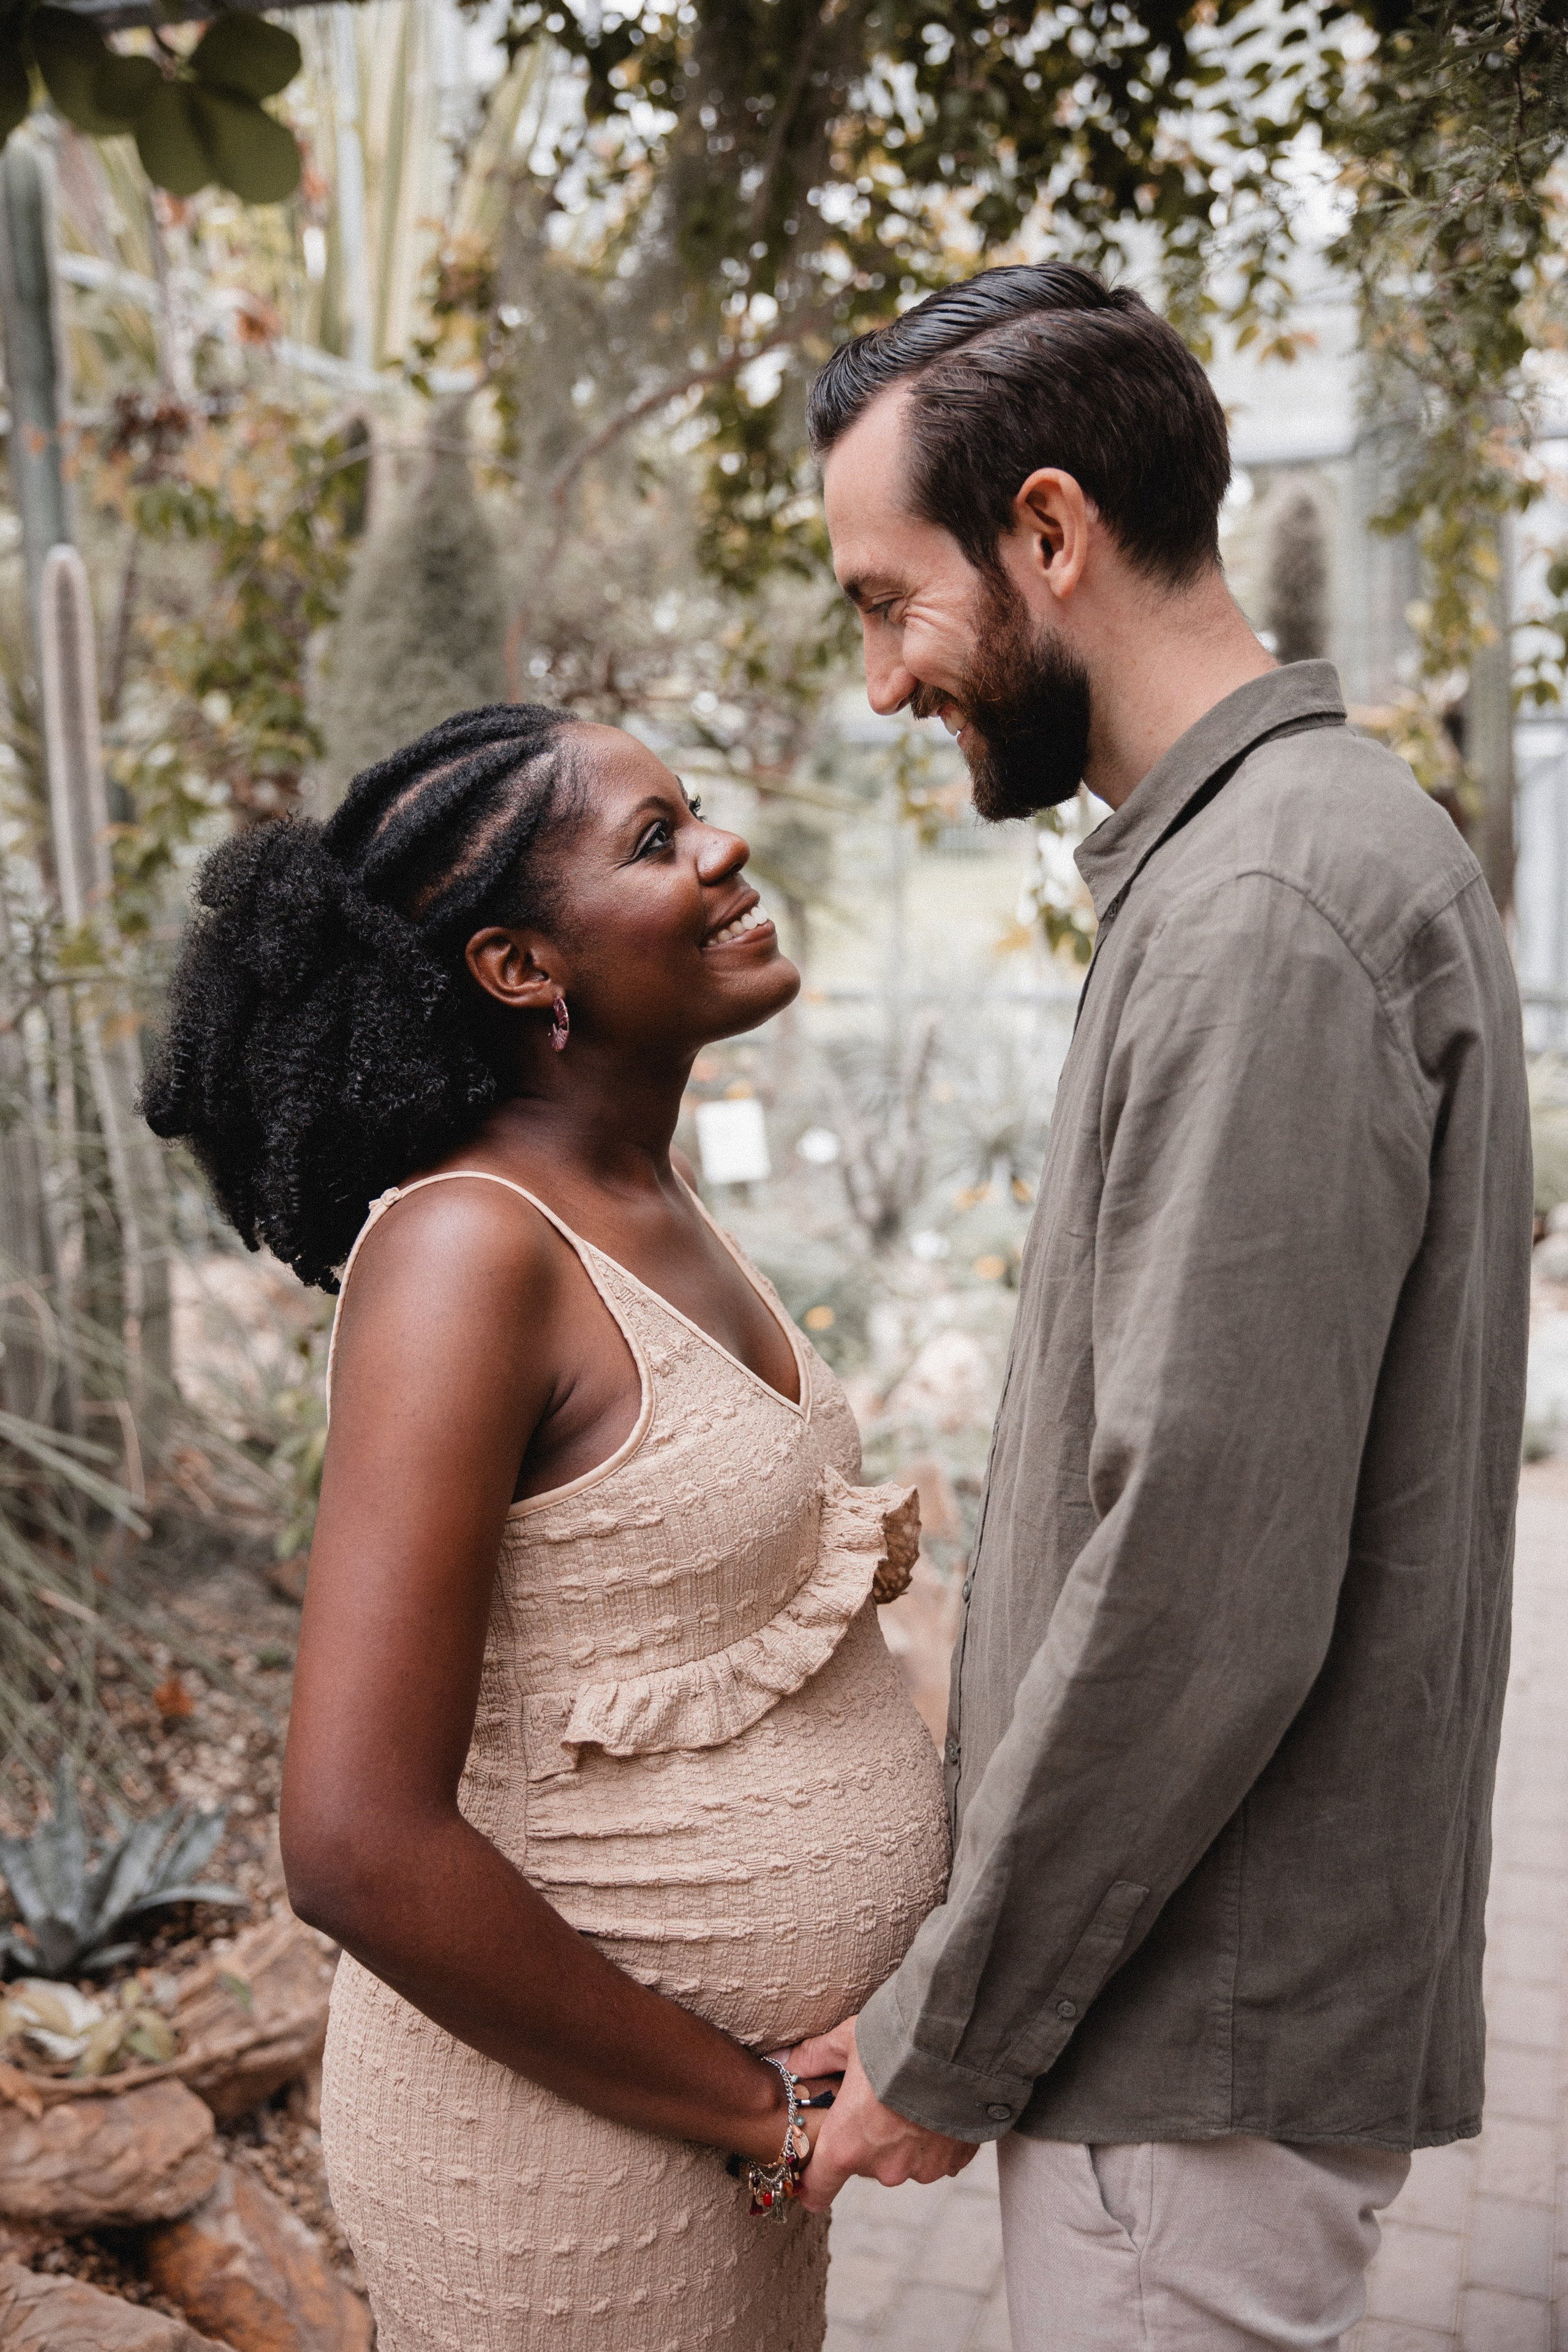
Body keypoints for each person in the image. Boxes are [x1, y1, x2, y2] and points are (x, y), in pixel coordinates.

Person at [786, 263, 1532, 2351]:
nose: (878, 681)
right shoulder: (1283, 857)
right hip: (1183, 2031)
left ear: (1047, 532)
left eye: (884, 598)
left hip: (1179, 2051)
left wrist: (956, 2028)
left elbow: (1201, 1571)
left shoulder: (1266, 908)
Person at [140, 704, 957, 2352]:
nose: (723, 851)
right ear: (521, 968)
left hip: (715, 2147)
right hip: (570, 2168)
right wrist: (757, 2110)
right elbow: (357, 1840)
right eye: (656, 841)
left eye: (698, 813)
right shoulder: (467, 1253)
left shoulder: (648, 1198)